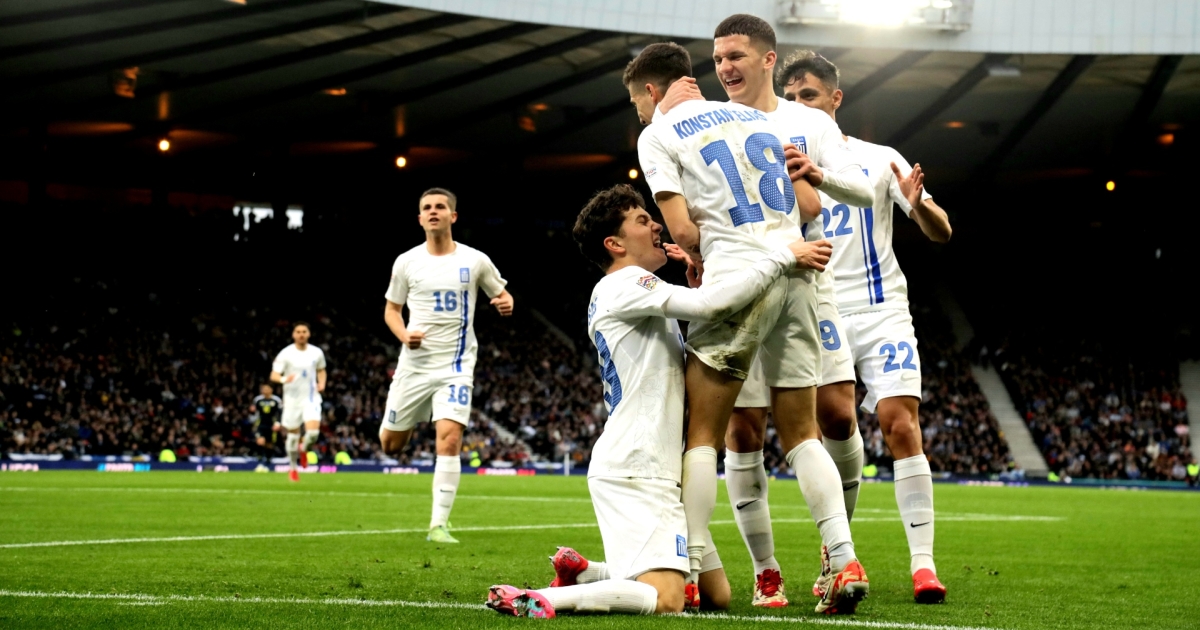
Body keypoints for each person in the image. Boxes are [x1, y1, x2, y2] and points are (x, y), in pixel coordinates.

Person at [487, 184, 819, 618]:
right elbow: (711, 306)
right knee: (668, 601)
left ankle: (587, 573)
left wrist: (697, 282)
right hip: (638, 466)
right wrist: (782, 257)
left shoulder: (619, 290)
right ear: (615, 244)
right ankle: (539, 598)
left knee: (716, 596)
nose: (657, 225)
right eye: (642, 220)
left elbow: (687, 336)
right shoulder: (626, 281)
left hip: (649, 463)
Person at [629, 42, 869, 615]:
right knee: (802, 433)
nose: (638, 112)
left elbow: (682, 230)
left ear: (652, 92)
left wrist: (698, 256)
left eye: (637, 102)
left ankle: (689, 571)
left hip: (737, 281)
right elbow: (808, 204)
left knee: (704, 436)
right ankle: (844, 559)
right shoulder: (755, 118)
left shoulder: (658, 133)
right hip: (798, 271)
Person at [778, 49, 954, 603]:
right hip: (819, 308)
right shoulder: (774, 160)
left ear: (835, 98)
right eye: (791, 97)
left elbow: (941, 231)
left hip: (881, 310)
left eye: (809, 95)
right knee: (834, 420)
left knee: (900, 424)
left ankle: (923, 565)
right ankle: (840, 551)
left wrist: (918, 207)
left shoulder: (879, 159)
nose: (800, 104)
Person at [379, 187, 514, 544]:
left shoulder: (475, 260)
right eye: (427, 207)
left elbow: (501, 293)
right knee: (390, 445)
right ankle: (410, 418)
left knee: (451, 438)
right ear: (420, 218)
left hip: (456, 366)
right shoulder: (406, 262)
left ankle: (438, 524)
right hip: (414, 366)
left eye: (440, 206)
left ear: (453, 216)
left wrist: (506, 302)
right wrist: (404, 334)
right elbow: (392, 310)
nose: (433, 211)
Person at [270, 322, 327, 483]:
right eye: (298, 331)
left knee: (313, 434)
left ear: (308, 334)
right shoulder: (286, 353)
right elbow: (274, 375)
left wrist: (322, 383)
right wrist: (284, 379)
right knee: (293, 437)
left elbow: (321, 369)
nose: (301, 334)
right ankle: (293, 468)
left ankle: (304, 449)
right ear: (293, 334)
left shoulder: (316, 352)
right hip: (291, 401)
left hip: (311, 399)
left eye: (304, 331)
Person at [249, 383, 282, 471]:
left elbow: (280, 412)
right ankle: (260, 462)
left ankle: (267, 463)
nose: (265, 390)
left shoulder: (276, 400)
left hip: (272, 425)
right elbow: (254, 412)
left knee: (269, 445)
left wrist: (278, 423)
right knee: (260, 442)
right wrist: (252, 413)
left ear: (271, 390)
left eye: (267, 389)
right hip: (261, 424)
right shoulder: (258, 400)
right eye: (263, 389)